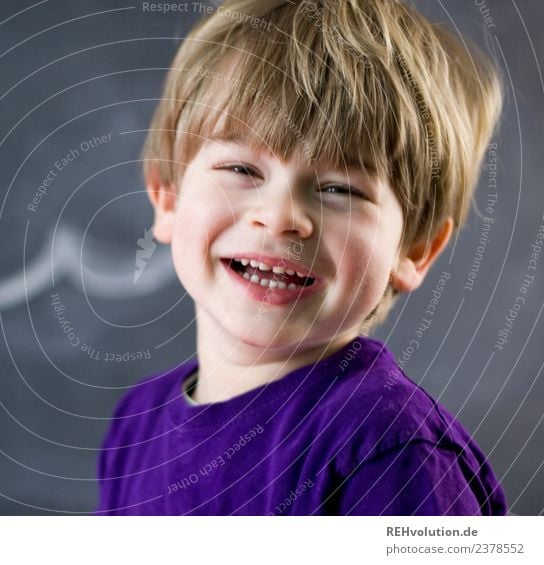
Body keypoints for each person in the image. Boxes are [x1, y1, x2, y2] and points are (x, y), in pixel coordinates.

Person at [95, 0, 506, 515]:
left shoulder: (389, 453)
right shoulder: (136, 426)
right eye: (242, 169)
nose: (281, 215)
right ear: (168, 198)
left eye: (339, 189)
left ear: (415, 250)